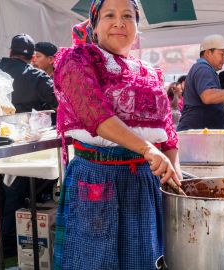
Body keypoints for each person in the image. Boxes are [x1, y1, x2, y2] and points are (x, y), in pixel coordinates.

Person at [52, 0, 182, 269]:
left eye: (128, 16)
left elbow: (166, 128)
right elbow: (95, 116)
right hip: (98, 177)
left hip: (144, 182)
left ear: (137, 26)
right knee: (95, 259)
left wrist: (174, 169)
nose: (119, 22)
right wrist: (148, 150)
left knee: (145, 257)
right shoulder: (79, 59)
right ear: (95, 26)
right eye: (109, 15)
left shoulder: (148, 71)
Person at [0, 34, 58, 257]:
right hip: (22, 146)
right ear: (31, 57)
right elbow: (57, 104)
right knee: (15, 195)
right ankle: (9, 245)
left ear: (10, 52)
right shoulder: (37, 76)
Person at [0, 34, 58, 114]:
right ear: (33, 57)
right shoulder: (38, 77)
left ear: (10, 52)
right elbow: (59, 102)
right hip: (29, 125)